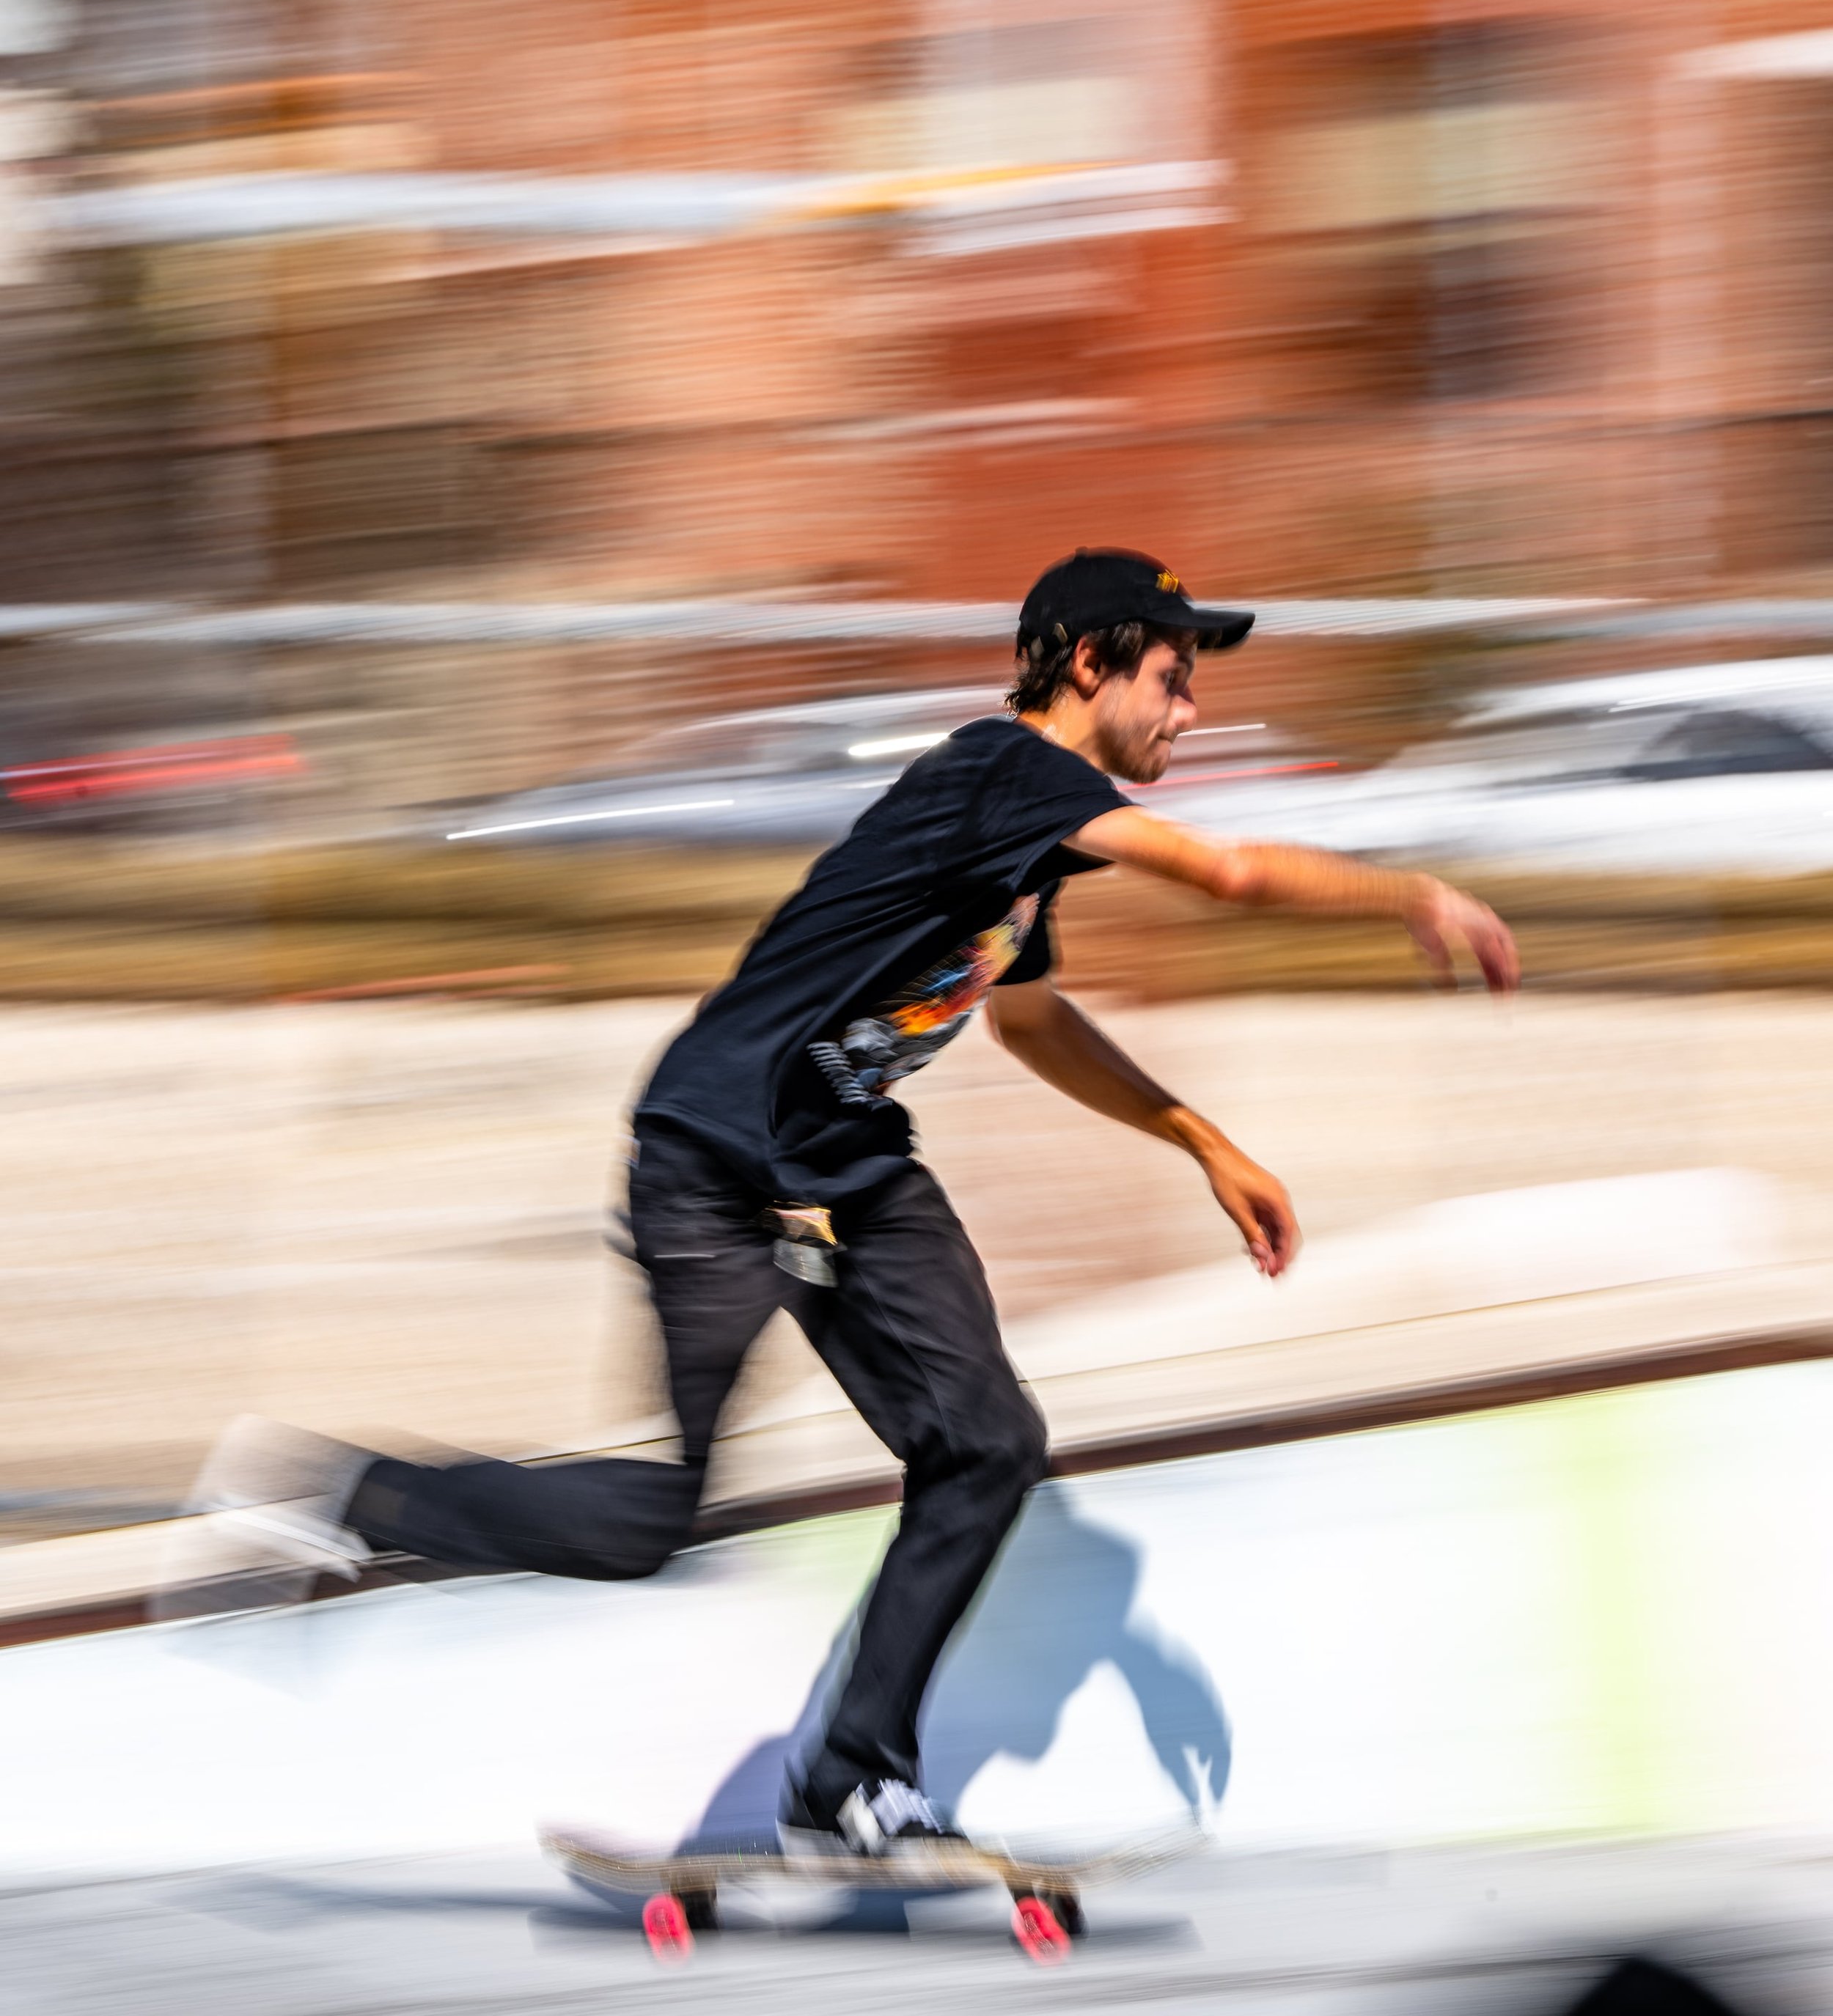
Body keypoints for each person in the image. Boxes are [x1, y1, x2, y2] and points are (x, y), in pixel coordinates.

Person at [190, 547, 1518, 1858]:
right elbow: (1224, 875)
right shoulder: (1006, 772)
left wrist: (1202, 1141)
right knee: (657, 1517)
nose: (1191, 707)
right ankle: (344, 1494)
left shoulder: (1027, 838)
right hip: (718, 1151)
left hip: (844, 1165)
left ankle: (852, 1773)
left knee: (988, 1444)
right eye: (1173, 676)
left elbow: (1032, 1023)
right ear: (1092, 661)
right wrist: (1411, 890)